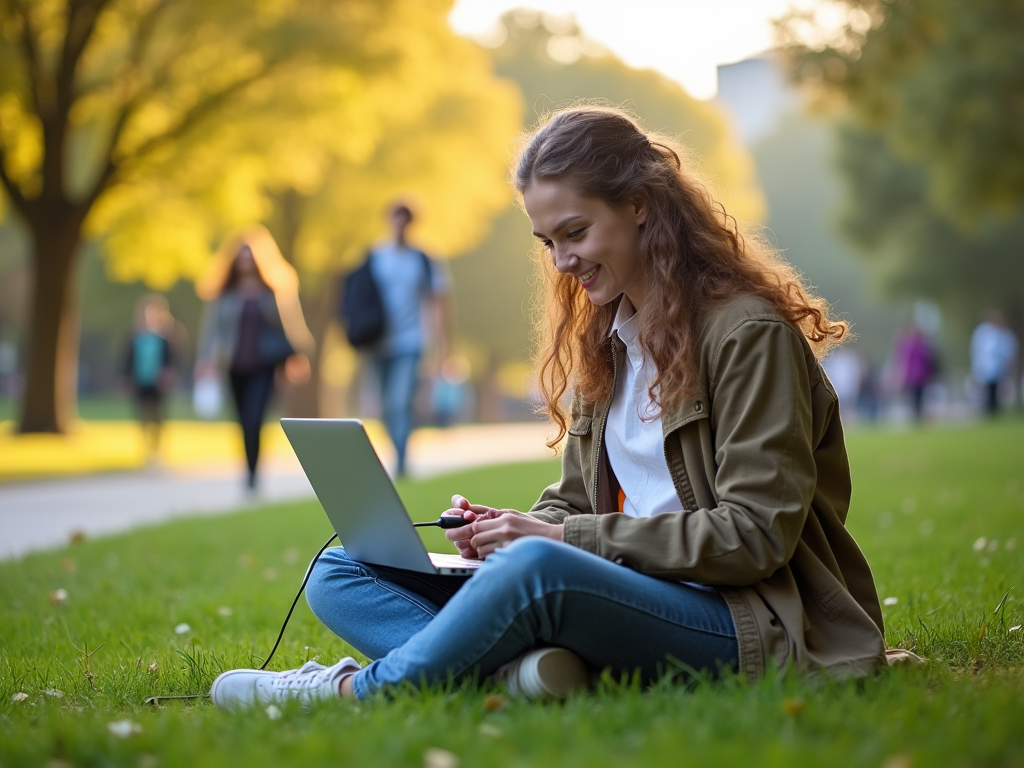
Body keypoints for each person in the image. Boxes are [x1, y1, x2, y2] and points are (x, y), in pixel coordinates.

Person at [211, 106, 887, 708]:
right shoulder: (610, 338)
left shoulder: (746, 335)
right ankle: (524, 673)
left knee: (537, 570)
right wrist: (509, 526)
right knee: (341, 570)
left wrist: (558, 543)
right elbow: (573, 506)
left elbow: (754, 538)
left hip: (741, 619)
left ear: (640, 206)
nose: (562, 260)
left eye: (575, 233)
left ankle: (360, 689)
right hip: (613, 590)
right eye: (548, 242)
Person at [195, 226, 313, 491]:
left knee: (255, 418)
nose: (245, 260)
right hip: (234, 365)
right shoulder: (225, 293)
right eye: (241, 255)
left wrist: (297, 356)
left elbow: (290, 326)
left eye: (250, 255)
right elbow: (212, 330)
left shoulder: (272, 291)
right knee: (241, 421)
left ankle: (253, 474)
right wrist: (204, 361)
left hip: (264, 365)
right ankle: (248, 468)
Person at [359, 202, 451, 476]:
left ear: (411, 224)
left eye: (405, 221)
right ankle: (396, 450)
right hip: (378, 342)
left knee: (400, 401)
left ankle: (400, 461)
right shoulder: (375, 257)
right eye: (395, 220)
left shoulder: (424, 259)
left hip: (411, 342)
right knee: (386, 405)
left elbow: (438, 303)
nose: (399, 226)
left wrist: (443, 347)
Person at [122, 294, 177, 464]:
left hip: (158, 383)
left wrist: (168, 374)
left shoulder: (165, 338)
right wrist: (126, 377)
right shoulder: (135, 336)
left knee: (158, 416)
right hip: (140, 380)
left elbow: (172, 360)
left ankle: (158, 450)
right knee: (143, 415)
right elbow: (127, 359)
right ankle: (146, 450)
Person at [970, 310, 1018, 416]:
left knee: (998, 390)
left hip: (999, 368)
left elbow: (1009, 351)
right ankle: (989, 411)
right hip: (986, 367)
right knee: (988, 390)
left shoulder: (1005, 334)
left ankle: (995, 411)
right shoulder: (982, 333)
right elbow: (978, 351)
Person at [892, 323, 935, 421]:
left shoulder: (922, 346)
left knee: (919, 397)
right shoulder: (916, 347)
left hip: (920, 376)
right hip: (915, 376)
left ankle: (919, 415)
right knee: (916, 398)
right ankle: (917, 416)